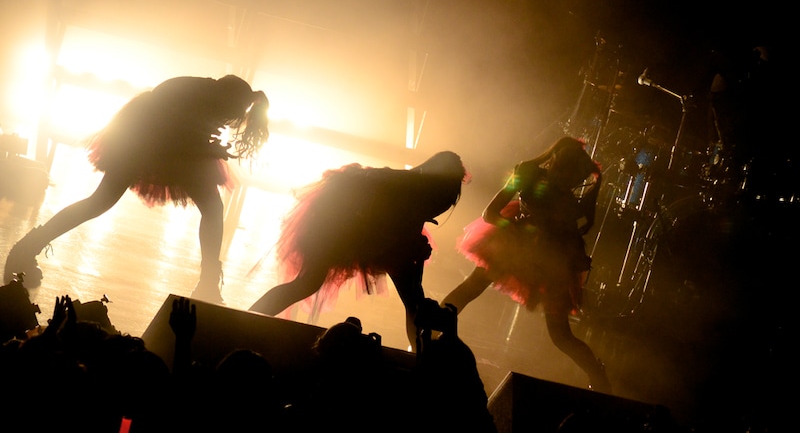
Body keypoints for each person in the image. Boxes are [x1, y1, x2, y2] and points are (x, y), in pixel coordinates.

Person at [3, 75, 269, 303]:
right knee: (101, 202)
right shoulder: (198, 99)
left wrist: (205, 146)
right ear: (226, 100)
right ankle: (208, 281)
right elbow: (175, 136)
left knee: (101, 202)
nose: (231, 121)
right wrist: (207, 148)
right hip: (140, 141)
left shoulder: (204, 95)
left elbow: (183, 135)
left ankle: (30, 246)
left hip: (150, 140)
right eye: (232, 116)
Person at [248, 151, 469, 349]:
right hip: (340, 226)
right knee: (308, 283)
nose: (446, 205)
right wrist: (412, 249)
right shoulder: (407, 189)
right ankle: (248, 320)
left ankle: (420, 357)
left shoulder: (420, 190)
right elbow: (392, 231)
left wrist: (414, 250)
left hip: (375, 234)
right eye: (448, 197)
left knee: (414, 300)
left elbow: (404, 234)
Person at [441, 136, 612, 392]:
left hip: (549, 260)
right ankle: (433, 332)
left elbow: (570, 236)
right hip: (514, 244)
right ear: (556, 165)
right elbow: (490, 213)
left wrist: (568, 254)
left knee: (560, 335)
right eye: (569, 177)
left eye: (576, 182)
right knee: (473, 286)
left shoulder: (569, 201)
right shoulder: (530, 176)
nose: (571, 184)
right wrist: (515, 230)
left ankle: (598, 377)